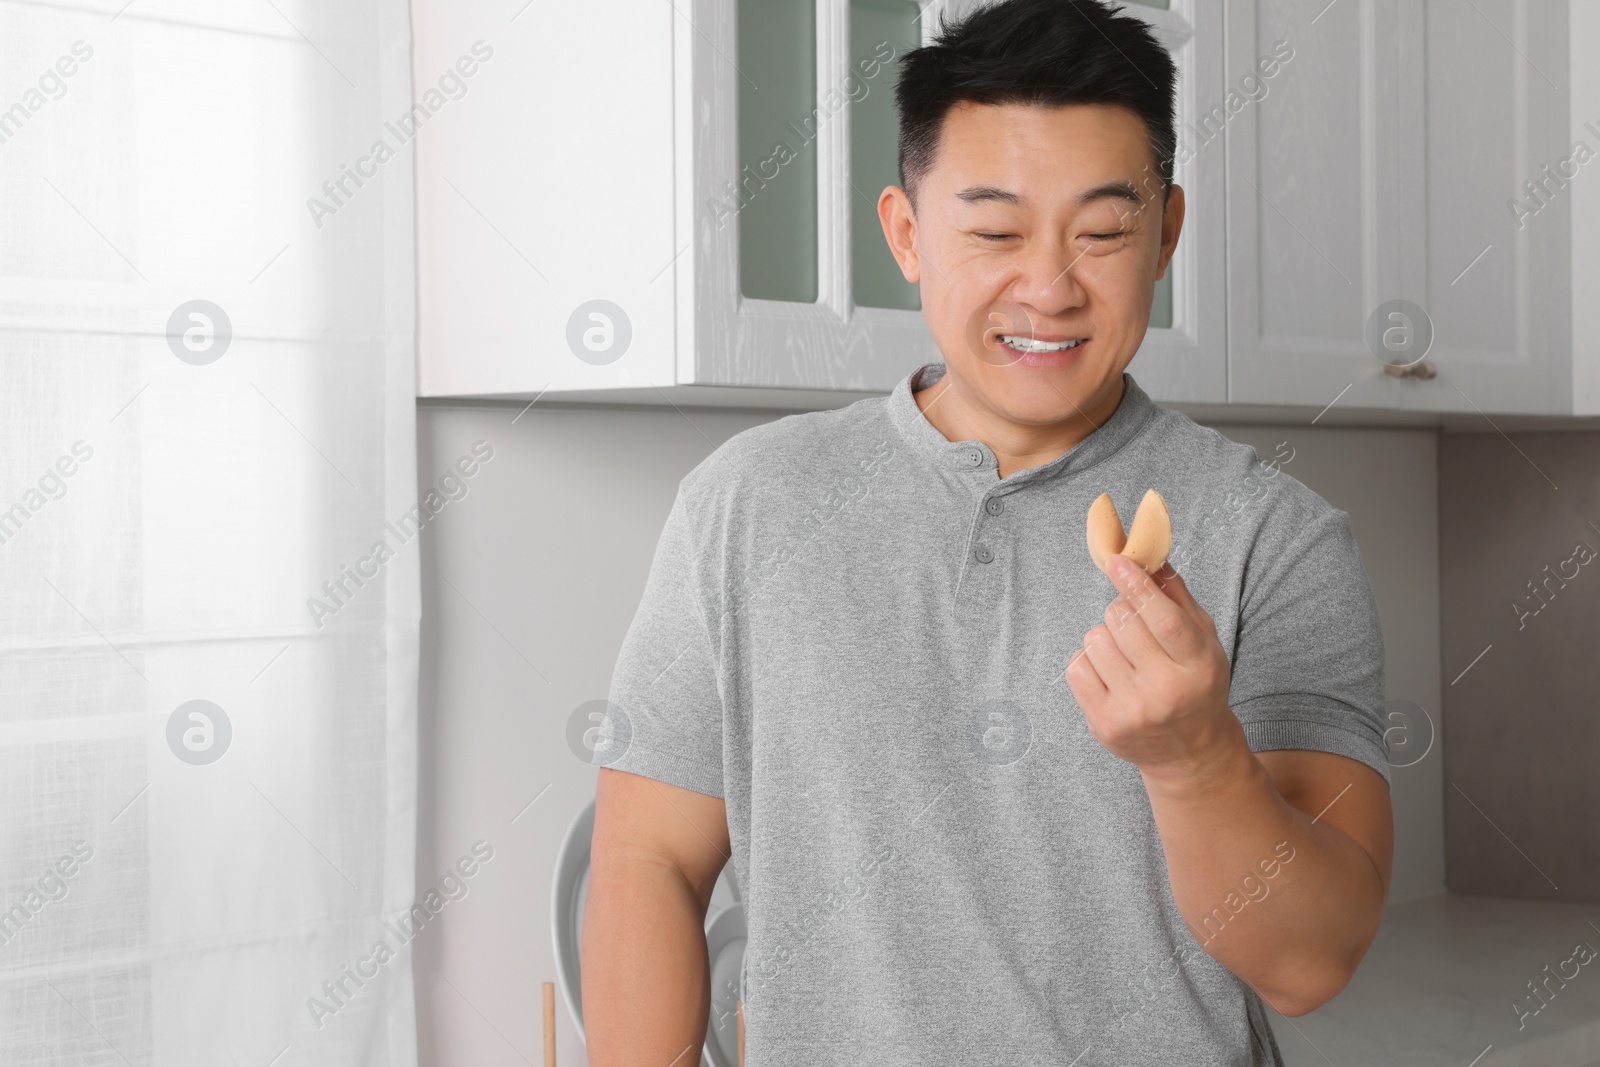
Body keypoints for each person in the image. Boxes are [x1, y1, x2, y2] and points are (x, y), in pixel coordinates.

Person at [582, 1, 1393, 1063]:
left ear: (1165, 235)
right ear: (908, 235)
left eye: (1102, 231)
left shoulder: (1271, 536)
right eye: (996, 232)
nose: (1049, 288)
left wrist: (1196, 758)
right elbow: (648, 858)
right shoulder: (746, 503)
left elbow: (1309, 962)